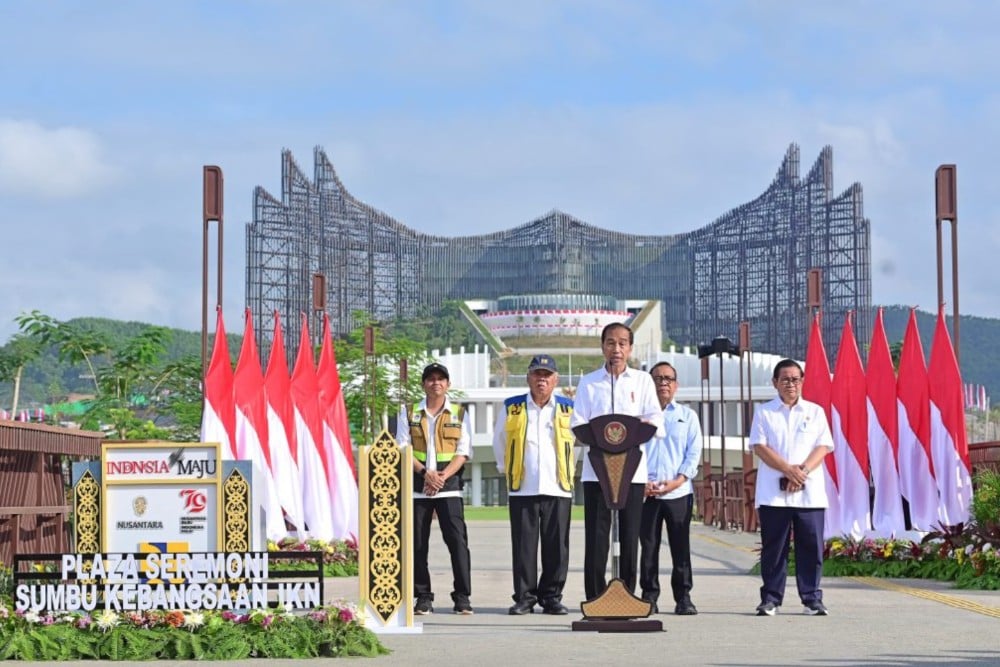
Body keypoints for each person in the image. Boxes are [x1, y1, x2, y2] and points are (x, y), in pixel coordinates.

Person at [571, 322, 662, 601]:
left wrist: (632, 432)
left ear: (631, 348)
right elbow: (578, 423)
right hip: (597, 472)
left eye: (623, 343)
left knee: (630, 535)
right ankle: (596, 598)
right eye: (611, 342)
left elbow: (655, 420)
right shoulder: (589, 382)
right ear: (603, 346)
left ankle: (628, 598)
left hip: (632, 473)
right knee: (597, 539)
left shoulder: (643, 381)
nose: (617, 348)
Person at [749, 358, 834, 617]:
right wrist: (788, 470)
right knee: (774, 549)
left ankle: (812, 598)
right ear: (775, 383)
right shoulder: (764, 412)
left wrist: (802, 472)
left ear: (802, 381)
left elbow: (824, 446)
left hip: (809, 493)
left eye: (795, 379)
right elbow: (759, 447)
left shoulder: (815, 411)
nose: (790, 384)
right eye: (785, 379)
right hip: (774, 495)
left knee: (811, 547)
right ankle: (771, 598)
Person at [493, 354, 575, 616]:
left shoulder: (568, 407)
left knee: (557, 547)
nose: (542, 380)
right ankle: (525, 597)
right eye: (537, 374)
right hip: (523, 486)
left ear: (556, 379)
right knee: (524, 547)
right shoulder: (513, 406)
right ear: (528, 377)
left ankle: (551, 597)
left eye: (547, 375)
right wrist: (507, 470)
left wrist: (569, 471)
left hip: (557, 486)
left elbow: (578, 444)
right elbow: (500, 441)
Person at [395, 362, 474, 615]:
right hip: (418, 488)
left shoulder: (459, 413)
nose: (436, 383)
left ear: (448, 384)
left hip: (449, 488)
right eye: (431, 379)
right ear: (423, 384)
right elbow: (402, 448)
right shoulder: (408, 412)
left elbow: (463, 452)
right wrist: (425, 474)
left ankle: (462, 597)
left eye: (441, 379)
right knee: (418, 544)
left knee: (457, 543)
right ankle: (423, 596)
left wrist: (441, 477)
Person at [639, 362, 702, 615]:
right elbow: (634, 450)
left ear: (676, 385)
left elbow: (693, 453)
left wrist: (678, 480)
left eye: (668, 379)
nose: (663, 383)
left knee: (680, 547)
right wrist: (641, 481)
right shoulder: (639, 416)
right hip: (647, 492)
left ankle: (683, 596)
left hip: (678, 492)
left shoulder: (687, 416)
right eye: (657, 378)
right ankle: (649, 596)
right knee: (649, 547)